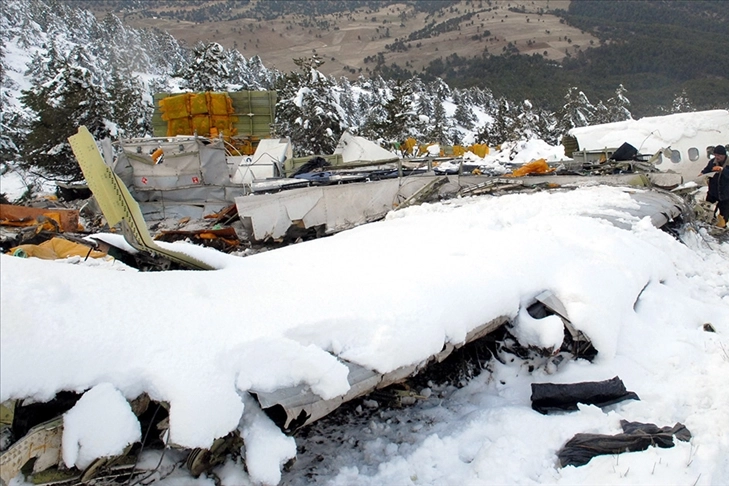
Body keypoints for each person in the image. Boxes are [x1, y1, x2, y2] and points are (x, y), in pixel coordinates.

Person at [700, 144, 728, 227]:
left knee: (724, 215)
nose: (717, 157)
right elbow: (707, 170)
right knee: (707, 211)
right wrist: (702, 174)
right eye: (715, 155)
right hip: (713, 193)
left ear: (724, 155)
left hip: (726, 195)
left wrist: (723, 170)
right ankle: (707, 225)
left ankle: (721, 228)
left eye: (719, 155)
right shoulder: (712, 162)